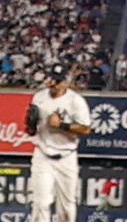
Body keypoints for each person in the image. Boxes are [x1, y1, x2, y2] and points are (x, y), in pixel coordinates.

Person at [28, 63, 91, 222]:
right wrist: (30, 125)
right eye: (51, 79)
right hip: (43, 154)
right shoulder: (39, 97)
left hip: (66, 156)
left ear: (64, 82)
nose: (53, 83)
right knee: (40, 203)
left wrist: (62, 125)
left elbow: (85, 129)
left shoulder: (75, 101)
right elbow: (31, 129)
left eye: (57, 80)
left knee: (67, 207)